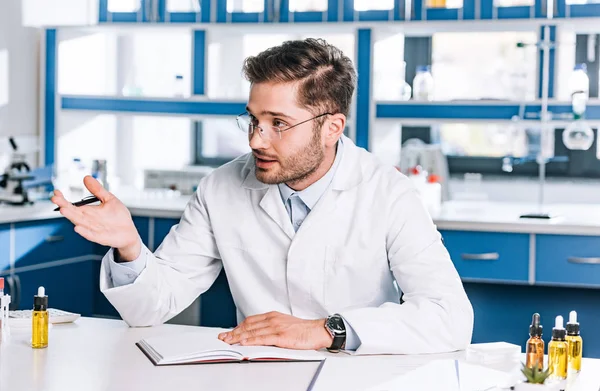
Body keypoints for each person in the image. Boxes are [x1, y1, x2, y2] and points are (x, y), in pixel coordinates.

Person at [52, 38, 473, 354]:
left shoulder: (387, 193)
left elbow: (450, 317)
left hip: (354, 377)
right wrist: (129, 247)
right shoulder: (220, 187)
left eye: (278, 123)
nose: (257, 139)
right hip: (255, 378)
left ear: (332, 127)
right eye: (253, 120)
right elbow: (150, 309)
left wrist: (326, 330)